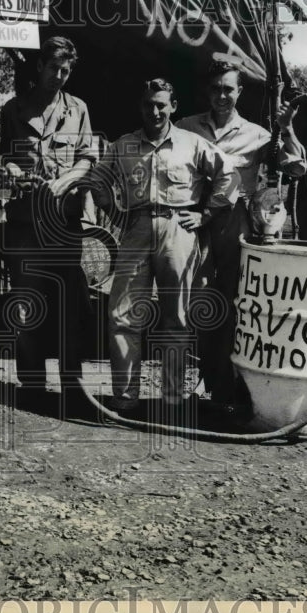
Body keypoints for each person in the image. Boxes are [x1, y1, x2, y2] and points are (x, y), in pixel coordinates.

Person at [89, 78, 238, 414]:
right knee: (122, 315)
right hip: (136, 228)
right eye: (148, 105)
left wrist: (206, 214)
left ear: (173, 106)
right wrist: (112, 210)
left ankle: (171, 400)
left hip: (179, 230)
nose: (154, 111)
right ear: (141, 107)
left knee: (177, 317)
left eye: (161, 105)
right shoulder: (124, 145)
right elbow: (98, 179)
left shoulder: (192, 144)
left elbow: (229, 176)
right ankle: (124, 399)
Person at [176, 60, 307, 406]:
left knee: (236, 302)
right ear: (208, 90)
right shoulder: (186, 127)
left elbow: (297, 167)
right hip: (193, 221)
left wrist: (287, 128)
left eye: (228, 89)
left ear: (240, 92)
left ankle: (228, 387)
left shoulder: (259, 134)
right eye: (216, 88)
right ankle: (209, 378)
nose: (222, 95)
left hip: (235, 223)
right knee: (201, 302)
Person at [0, 36, 97, 404]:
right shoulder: (13, 110)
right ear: (39, 66)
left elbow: (87, 159)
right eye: (53, 67)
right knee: (26, 307)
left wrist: (64, 182)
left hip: (65, 227)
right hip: (24, 226)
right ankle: (33, 388)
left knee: (71, 310)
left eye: (66, 70)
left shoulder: (79, 110)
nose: (59, 76)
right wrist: (8, 168)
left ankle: (73, 387)